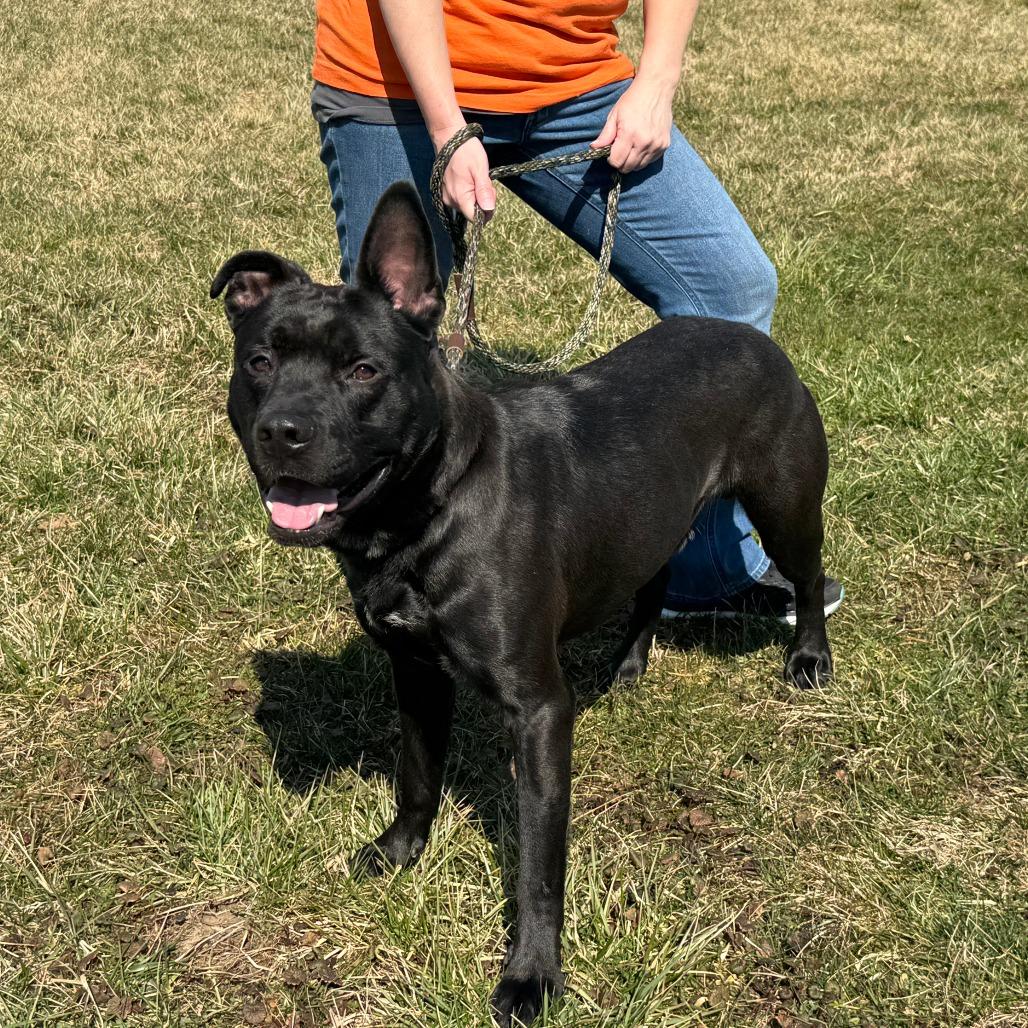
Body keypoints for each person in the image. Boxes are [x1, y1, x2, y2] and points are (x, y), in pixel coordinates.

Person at [310, 0, 843, 622]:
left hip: (574, 79)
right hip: (396, 80)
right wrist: (447, 128)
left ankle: (705, 567)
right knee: (390, 339)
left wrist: (656, 82)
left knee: (729, 286)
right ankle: (405, 601)